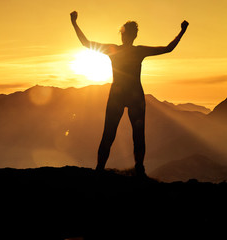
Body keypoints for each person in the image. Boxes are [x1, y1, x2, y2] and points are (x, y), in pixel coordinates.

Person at [70, 11, 188, 176]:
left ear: (123, 36)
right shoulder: (138, 51)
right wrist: (182, 31)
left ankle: (100, 169)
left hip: (118, 96)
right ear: (134, 36)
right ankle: (139, 169)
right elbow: (168, 48)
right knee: (137, 135)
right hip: (135, 96)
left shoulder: (114, 50)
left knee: (109, 134)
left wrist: (74, 23)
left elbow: (86, 43)